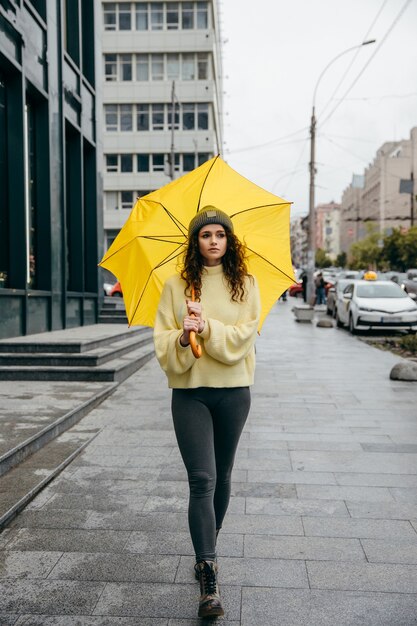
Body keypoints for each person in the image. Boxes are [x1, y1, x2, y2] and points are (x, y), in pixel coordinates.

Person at [154, 206, 261, 619]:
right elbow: (162, 345)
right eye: (206, 235)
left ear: (229, 241)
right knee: (202, 478)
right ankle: (210, 578)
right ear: (195, 241)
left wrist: (208, 327)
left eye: (220, 234)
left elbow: (244, 336)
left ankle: (204, 553)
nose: (214, 240)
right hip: (190, 394)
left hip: (234, 392)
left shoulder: (245, 285)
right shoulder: (175, 286)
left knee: (224, 476)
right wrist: (183, 336)